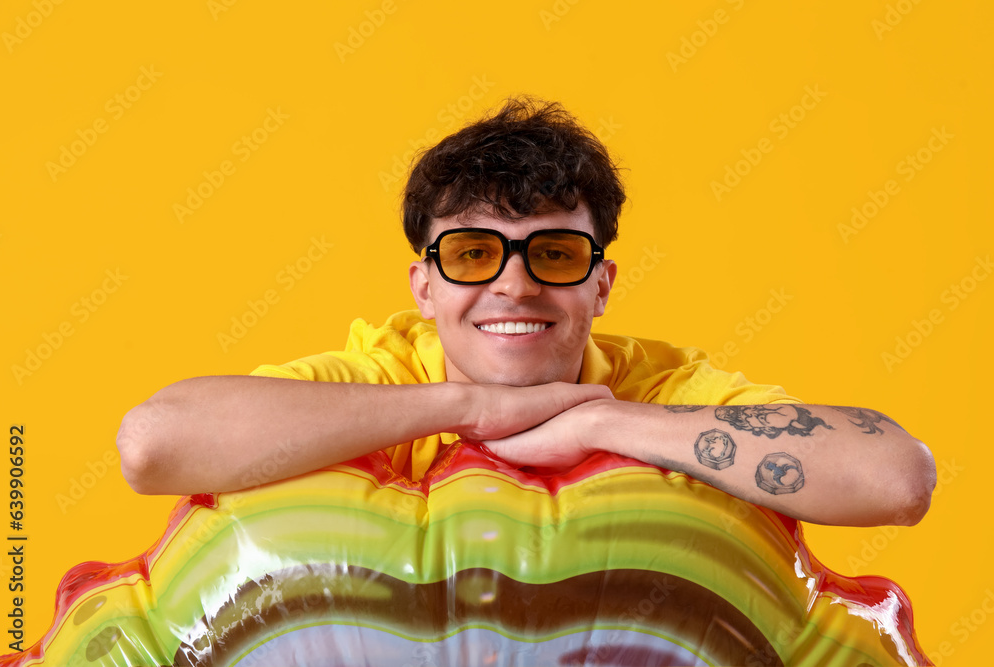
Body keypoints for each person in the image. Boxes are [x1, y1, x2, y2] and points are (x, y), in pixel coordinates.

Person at [117, 96, 936, 527]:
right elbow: (154, 446)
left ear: (601, 284)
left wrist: (601, 424)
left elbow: (894, 478)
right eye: (475, 253)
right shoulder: (381, 379)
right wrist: (472, 407)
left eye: (553, 253)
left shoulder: (668, 386)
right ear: (424, 287)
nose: (514, 285)